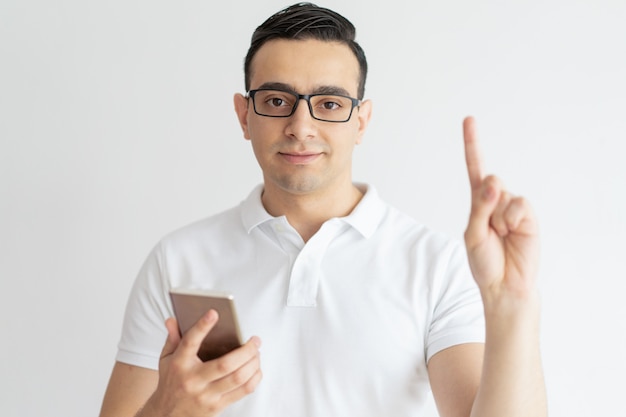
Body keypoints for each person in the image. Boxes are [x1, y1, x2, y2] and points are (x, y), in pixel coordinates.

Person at [99, 3, 547, 417]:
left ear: (361, 121)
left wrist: (513, 306)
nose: (301, 127)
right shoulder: (177, 260)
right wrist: (163, 409)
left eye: (329, 104)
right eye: (277, 101)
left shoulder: (435, 265)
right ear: (243, 115)